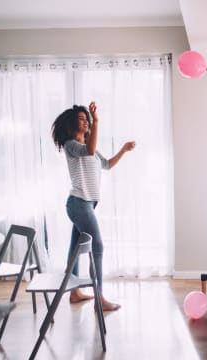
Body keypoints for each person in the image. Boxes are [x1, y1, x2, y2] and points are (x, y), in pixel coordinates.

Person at [51, 101, 135, 311]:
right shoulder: (72, 145)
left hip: (85, 204)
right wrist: (97, 120)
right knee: (97, 246)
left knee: (75, 249)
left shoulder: (92, 149)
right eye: (82, 118)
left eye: (87, 119)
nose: (86, 121)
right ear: (72, 123)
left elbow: (106, 164)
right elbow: (88, 151)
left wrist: (123, 150)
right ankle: (100, 298)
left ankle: (75, 293)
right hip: (79, 204)